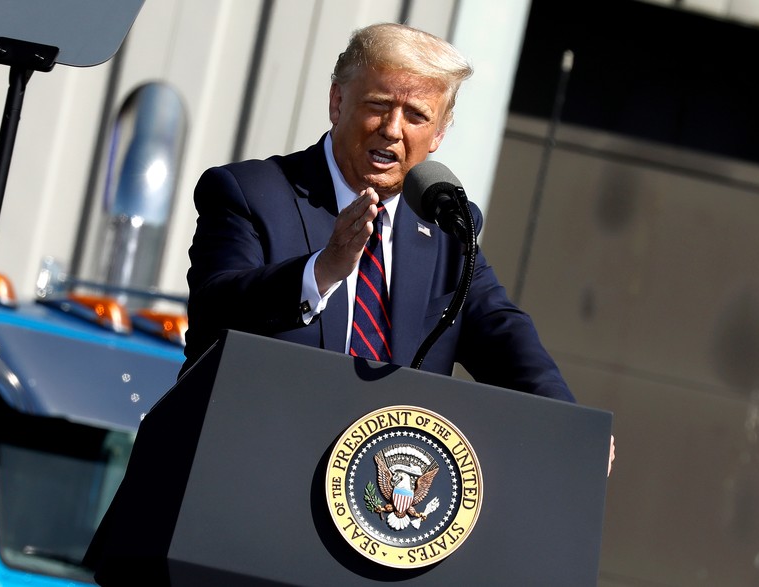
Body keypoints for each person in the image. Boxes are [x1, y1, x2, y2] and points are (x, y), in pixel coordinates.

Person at [182, 22, 575, 403]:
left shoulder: (446, 225)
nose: (392, 129)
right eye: (378, 106)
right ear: (337, 102)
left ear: (438, 134)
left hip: (375, 464)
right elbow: (212, 312)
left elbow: (502, 332)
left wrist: (566, 421)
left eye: (416, 116)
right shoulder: (250, 193)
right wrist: (323, 270)